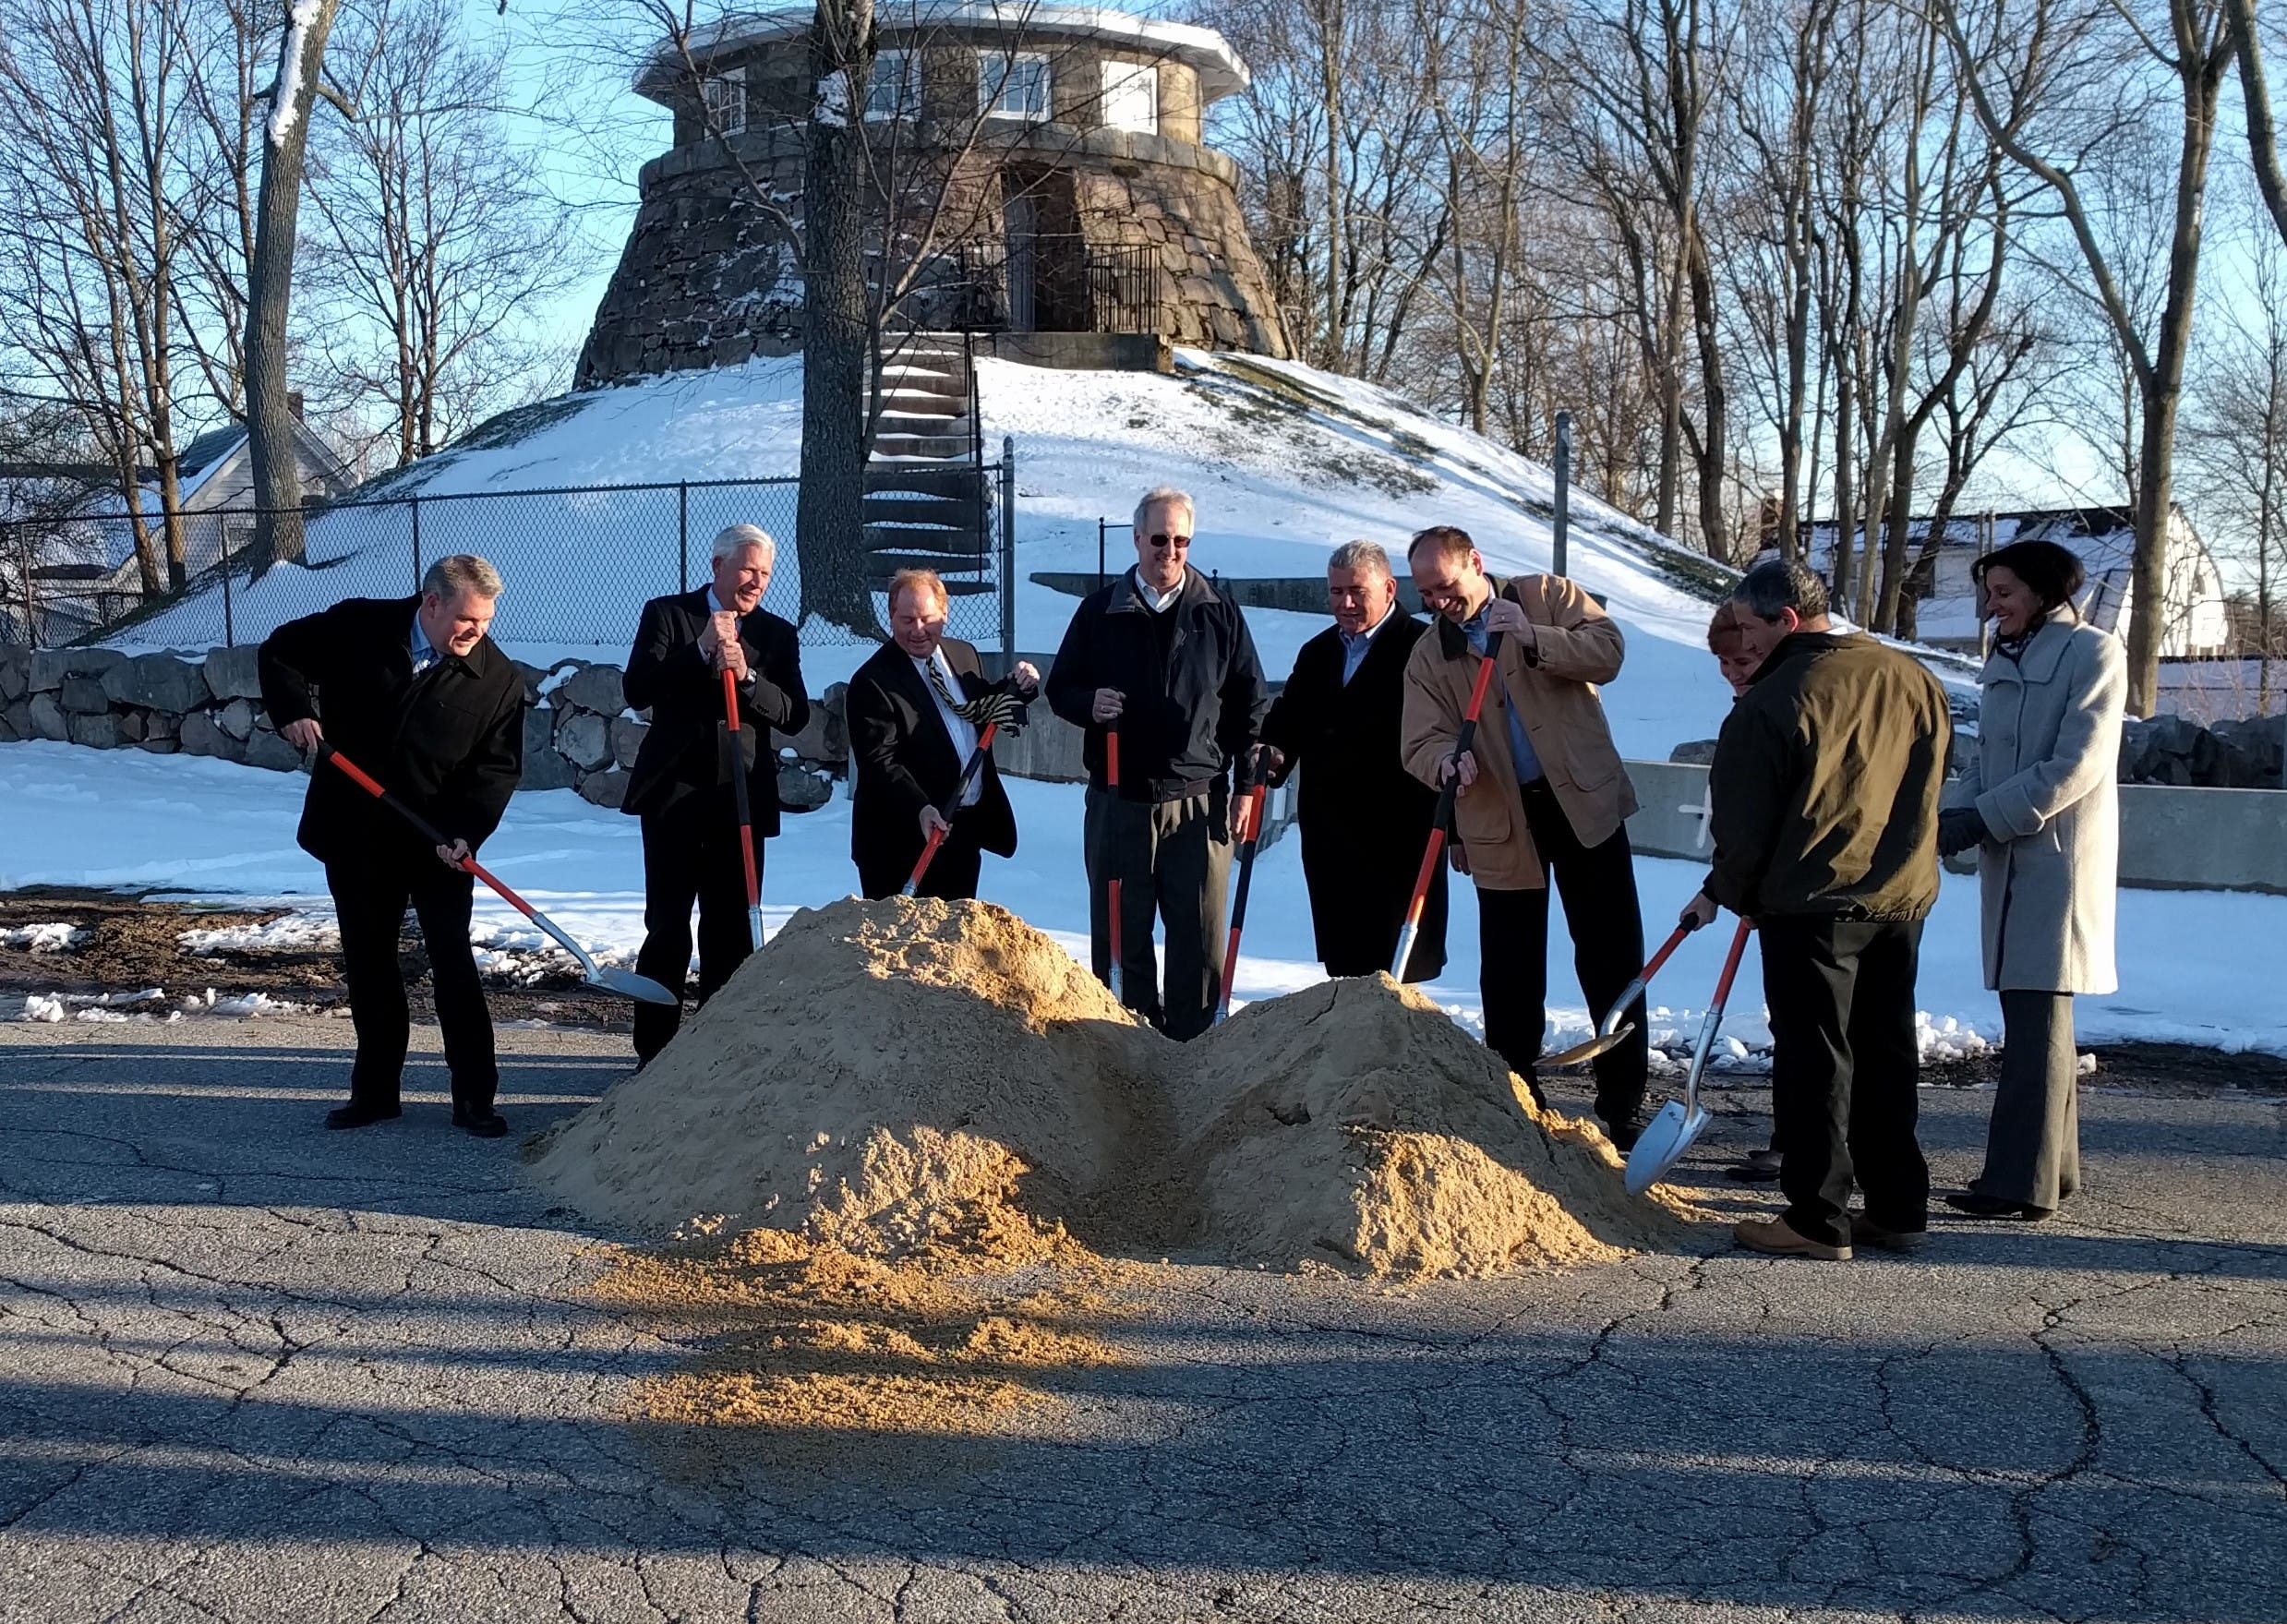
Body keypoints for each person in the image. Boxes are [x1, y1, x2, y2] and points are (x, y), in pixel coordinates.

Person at [1703, 558, 1951, 1261]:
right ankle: (1897, 1205)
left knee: (1815, 1059)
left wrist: (1734, 891)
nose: (1743, 643)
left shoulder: (1773, 700)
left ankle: (1815, 1216)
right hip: (1898, 896)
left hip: (1810, 902)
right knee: (1885, 1051)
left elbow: (1743, 824)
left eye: (1748, 628)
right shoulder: (1911, 677)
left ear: (1785, 620)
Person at [1398, 525, 1651, 1146]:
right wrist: (1444, 762)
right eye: (1425, 593)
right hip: (1499, 817)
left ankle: (1623, 1100)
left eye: (1445, 586)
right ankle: (1516, 1096)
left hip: (1582, 803)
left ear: (1475, 561)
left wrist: (1535, 637)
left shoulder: (1546, 596)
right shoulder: (1430, 654)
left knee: (1611, 953)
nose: (1437, 602)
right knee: (1510, 968)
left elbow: (1608, 652)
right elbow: (1418, 740)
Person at [259, 555, 524, 1136]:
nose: (477, 632)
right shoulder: (360, 625)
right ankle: (376, 1093)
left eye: (485, 620)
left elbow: (496, 768)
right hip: (355, 831)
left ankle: (474, 1097)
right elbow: (279, 652)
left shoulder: (497, 678)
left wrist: (467, 831)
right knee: (369, 962)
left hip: (438, 842)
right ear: (431, 603)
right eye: (467, 619)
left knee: (453, 963)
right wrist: (294, 709)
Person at [1939, 540, 2125, 1221]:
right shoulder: (2003, 660)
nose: (1991, 607)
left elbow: (2076, 765)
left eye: (2004, 592)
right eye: (1989, 593)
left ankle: (2018, 1183)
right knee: (2038, 1020)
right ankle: (2054, 1172)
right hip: (2011, 861)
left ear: (2045, 592)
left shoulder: (2093, 653)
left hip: (2057, 864)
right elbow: (1985, 762)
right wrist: (1942, 818)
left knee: (2037, 1024)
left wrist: (1981, 818)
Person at [1045, 485, 1268, 1040]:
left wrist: (1246, 787)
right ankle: (1129, 1037)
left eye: (1181, 541)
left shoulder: (1218, 611)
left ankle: (1194, 1044)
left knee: (1199, 934)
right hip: (1119, 797)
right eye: (1159, 539)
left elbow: (1250, 705)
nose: (1170, 551)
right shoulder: (1099, 611)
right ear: (1137, 538)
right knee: (1122, 930)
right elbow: (1061, 688)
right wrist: (1089, 703)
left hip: (1199, 801)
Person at [621, 523, 809, 1066]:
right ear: (718, 566)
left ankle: (718, 1056)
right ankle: (654, 1054)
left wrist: (747, 677)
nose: (757, 581)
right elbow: (638, 689)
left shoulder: (776, 634)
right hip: (674, 798)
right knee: (667, 927)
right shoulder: (668, 615)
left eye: (765, 573)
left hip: (739, 800)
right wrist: (699, 650)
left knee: (730, 932)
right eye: (748, 569)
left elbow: (795, 715)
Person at [1255, 540, 1446, 980]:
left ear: (1389, 589)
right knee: (1346, 968)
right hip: (1332, 837)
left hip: (1400, 836)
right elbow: (1288, 720)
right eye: (1336, 591)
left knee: (1398, 970)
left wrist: (1458, 832)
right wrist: (1273, 751)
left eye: (1357, 591)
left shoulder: (1422, 648)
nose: (1345, 603)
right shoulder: (1318, 652)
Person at [846, 569, 1038, 899]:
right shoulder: (872, 682)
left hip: (962, 833)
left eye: (927, 619)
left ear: (944, 613)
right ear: (891, 616)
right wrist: (921, 808)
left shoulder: (963, 655)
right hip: (900, 841)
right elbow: (880, 763)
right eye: (907, 620)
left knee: (955, 930)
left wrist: (1019, 685)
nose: (918, 630)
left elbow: (981, 708)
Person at [1694, 600, 1783, 1185]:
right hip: (1763, 881)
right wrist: (1722, 886)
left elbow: (1763, 812)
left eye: (1744, 661)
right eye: (1724, 664)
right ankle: (1799, 1139)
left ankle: (1804, 1144)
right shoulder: (1749, 708)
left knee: (1804, 1028)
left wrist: (1732, 884)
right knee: (1791, 1022)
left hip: (1791, 884)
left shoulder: (1776, 708)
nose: (1733, 673)